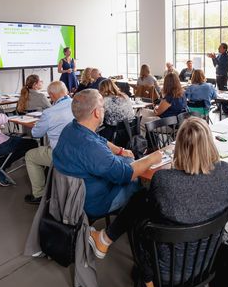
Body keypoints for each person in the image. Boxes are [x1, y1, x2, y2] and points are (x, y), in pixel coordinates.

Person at [89, 117, 228, 287]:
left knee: (139, 210)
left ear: (179, 147)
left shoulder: (163, 179)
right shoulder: (225, 173)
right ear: (210, 144)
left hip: (163, 272)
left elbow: (152, 214)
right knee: (142, 206)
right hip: (207, 264)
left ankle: (124, 256)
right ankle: (107, 240)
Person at [53, 89, 162, 219]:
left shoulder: (71, 128)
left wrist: (120, 150)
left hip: (72, 196)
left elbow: (100, 140)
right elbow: (125, 174)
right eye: (103, 107)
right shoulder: (91, 148)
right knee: (143, 186)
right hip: (96, 203)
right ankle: (124, 230)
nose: (105, 110)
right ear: (97, 113)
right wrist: (152, 158)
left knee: (130, 164)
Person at [23, 81, 74, 204]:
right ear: (66, 90)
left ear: (51, 95)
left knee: (30, 156)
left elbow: (36, 134)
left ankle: (39, 194)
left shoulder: (50, 113)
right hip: (78, 150)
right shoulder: (78, 104)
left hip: (60, 154)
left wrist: (38, 125)